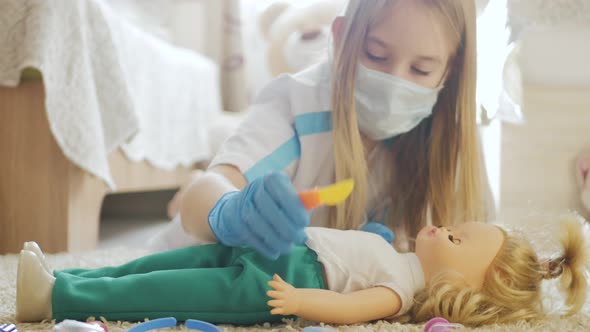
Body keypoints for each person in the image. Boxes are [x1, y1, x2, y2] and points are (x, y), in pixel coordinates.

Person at [175, 0, 491, 258]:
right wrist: (232, 211)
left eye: (421, 69)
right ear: (340, 38)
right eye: (375, 54)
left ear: (451, 69)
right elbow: (205, 195)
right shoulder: (296, 103)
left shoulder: (452, 140)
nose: (394, 83)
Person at [16, 217, 588, 326]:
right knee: (160, 261)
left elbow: (351, 307)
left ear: (460, 286)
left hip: (274, 284)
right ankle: (81, 278)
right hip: (273, 249)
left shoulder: (402, 291)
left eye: (457, 238)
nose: (443, 228)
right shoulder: (400, 256)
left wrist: (297, 302)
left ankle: (57, 297)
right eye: (455, 224)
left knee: (168, 289)